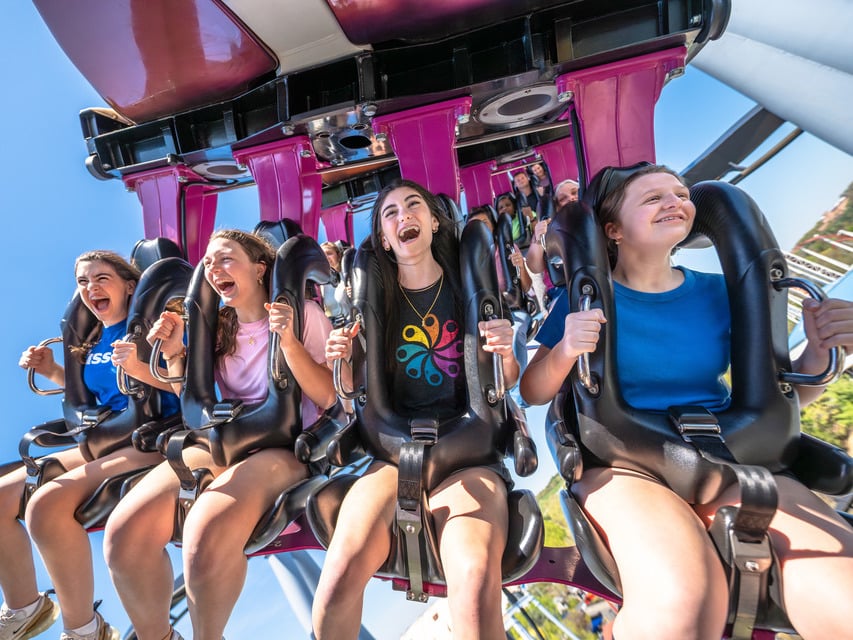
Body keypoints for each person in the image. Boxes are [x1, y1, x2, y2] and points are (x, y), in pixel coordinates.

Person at [520, 164, 853, 640]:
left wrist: (822, 352)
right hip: (625, 461)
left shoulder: (721, 295)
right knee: (684, 604)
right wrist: (567, 349)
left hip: (727, 453)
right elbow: (534, 390)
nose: (674, 201)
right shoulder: (582, 302)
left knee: (839, 578)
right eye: (652, 197)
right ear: (612, 229)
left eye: (679, 193)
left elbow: (782, 398)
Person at [104, 230, 335, 640]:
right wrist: (176, 353)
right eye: (208, 263)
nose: (213, 268)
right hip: (221, 441)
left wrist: (290, 343)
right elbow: (192, 401)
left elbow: (331, 396)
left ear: (259, 268)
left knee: (203, 531)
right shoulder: (216, 333)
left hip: (281, 448)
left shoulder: (305, 314)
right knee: (123, 532)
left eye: (225, 258)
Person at [314, 180, 519, 640]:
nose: (403, 216)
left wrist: (505, 351)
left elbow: (507, 380)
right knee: (338, 579)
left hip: (467, 451)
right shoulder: (376, 303)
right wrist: (342, 362)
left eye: (414, 207)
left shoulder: (466, 287)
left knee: (472, 584)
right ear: (384, 238)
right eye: (390, 213)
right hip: (393, 451)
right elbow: (351, 394)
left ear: (433, 221)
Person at [5, 251, 179, 640]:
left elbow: (189, 387)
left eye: (102, 279)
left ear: (129, 286)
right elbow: (91, 397)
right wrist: (50, 369)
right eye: (83, 281)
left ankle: (83, 630)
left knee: (46, 506)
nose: (91, 288)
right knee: (0, 497)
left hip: (147, 438)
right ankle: (26, 607)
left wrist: (142, 370)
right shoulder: (94, 341)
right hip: (102, 438)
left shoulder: (150, 330)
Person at [467, 206, 532, 407]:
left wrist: (519, 266)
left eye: (484, 224)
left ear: (494, 228)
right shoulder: (470, 259)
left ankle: (519, 395)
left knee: (514, 333)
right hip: (485, 312)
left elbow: (527, 286)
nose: (480, 230)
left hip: (512, 309)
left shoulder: (507, 250)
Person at [320, 241, 352, 326]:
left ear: (338, 255)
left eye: (329, 253)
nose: (326, 257)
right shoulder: (322, 284)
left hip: (354, 327)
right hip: (337, 331)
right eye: (323, 256)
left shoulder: (349, 275)